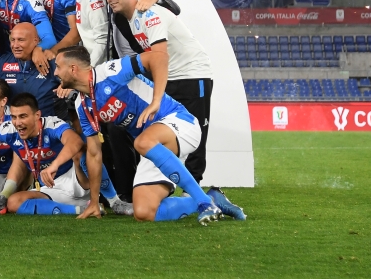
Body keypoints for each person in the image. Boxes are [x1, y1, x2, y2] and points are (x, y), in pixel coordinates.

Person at [54, 46, 244, 223]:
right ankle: (212, 198)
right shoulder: (82, 105)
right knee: (144, 212)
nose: (55, 73)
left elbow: (158, 57)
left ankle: (203, 202)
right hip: (154, 147)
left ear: (73, 69)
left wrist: (156, 101)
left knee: (142, 141)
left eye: (57, 67)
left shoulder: (110, 72)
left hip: (180, 122)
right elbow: (94, 154)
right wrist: (94, 202)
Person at [104, 0, 215, 182]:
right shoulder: (129, 20)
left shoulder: (149, 14)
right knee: (165, 132)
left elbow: (159, 58)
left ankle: (195, 191)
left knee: (195, 133)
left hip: (192, 75)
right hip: (169, 77)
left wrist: (156, 99)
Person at [0, 92, 87, 216]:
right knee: (13, 202)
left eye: (23, 116)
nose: (18, 122)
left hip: (76, 180)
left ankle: (112, 199)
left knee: (81, 152)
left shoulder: (52, 124)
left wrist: (55, 165)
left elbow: (76, 141)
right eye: (14, 117)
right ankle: (79, 209)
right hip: (49, 188)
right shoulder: (11, 130)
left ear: (37, 115)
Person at [0, 23, 59, 116]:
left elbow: (72, 79)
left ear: (35, 41)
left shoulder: (50, 62)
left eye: (21, 40)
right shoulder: (3, 63)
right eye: (12, 40)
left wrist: (66, 86)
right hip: (14, 125)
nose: (15, 45)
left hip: (46, 123)